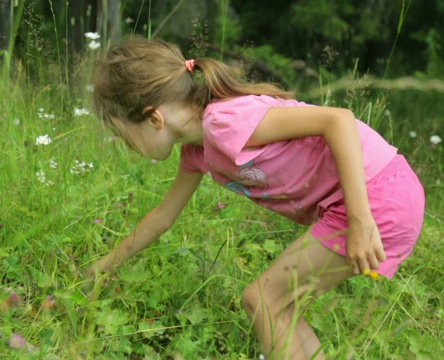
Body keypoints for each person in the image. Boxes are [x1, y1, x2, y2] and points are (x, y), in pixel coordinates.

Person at [87, 37, 425, 359]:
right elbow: (162, 216)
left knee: (263, 299)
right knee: (278, 305)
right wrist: (103, 268)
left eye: (122, 134)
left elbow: (337, 119)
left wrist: (359, 220)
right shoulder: (197, 150)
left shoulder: (226, 121)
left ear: (153, 118)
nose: (127, 145)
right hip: (369, 197)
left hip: (377, 194)